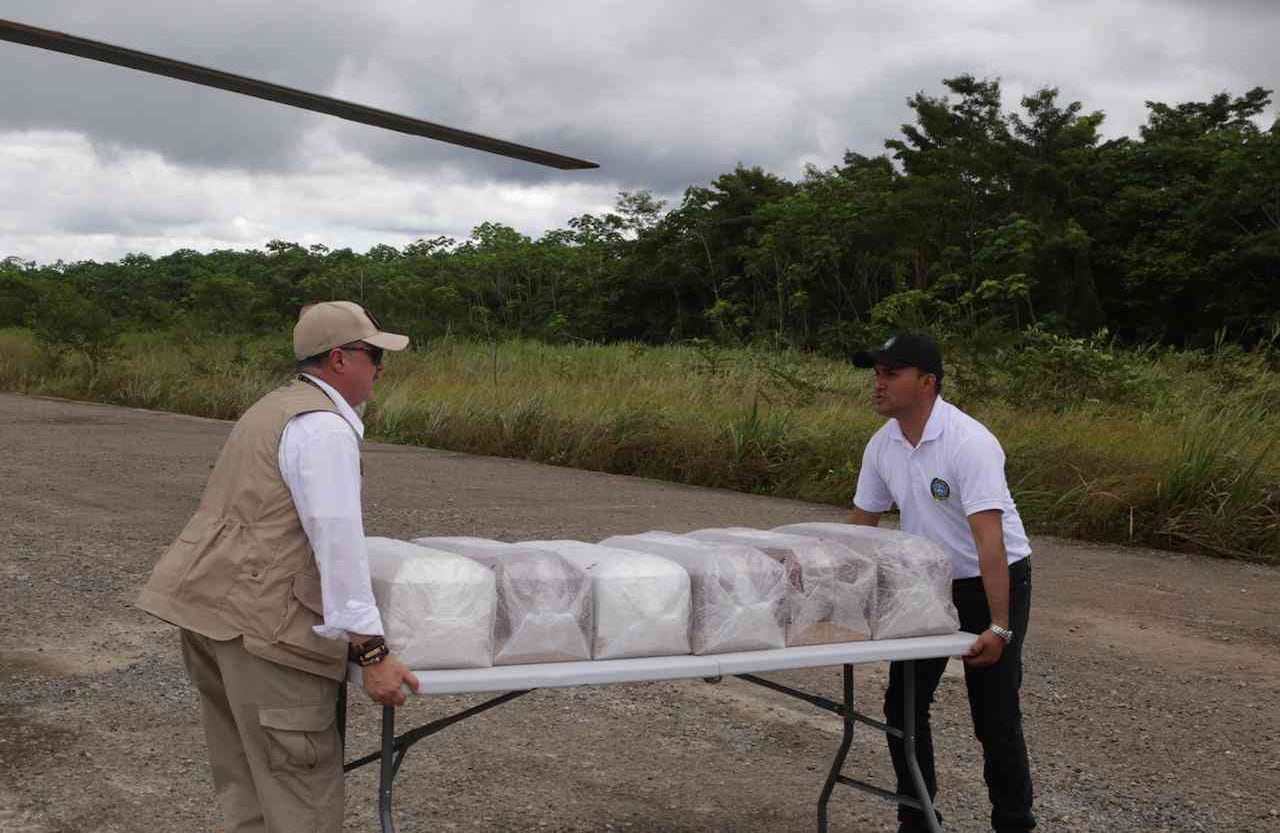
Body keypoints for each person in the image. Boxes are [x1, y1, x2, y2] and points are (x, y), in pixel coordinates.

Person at [137, 301, 421, 833]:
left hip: (211, 618)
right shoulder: (324, 426)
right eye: (374, 354)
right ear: (340, 359)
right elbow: (338, 546)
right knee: (299, 798)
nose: (380, 367)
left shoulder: (274, 407)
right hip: (266, 636)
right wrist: (373, 651)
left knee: (248, 791)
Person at [847, 333, 1035, 833]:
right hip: (926, 583)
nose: (878, 383)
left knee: (993, 715)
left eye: (891, 373)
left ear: (927, 383)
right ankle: (919, 819)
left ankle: (1014, 823)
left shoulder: (969, 441)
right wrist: (836, 590)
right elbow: (862, 525)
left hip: (992, 578)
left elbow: (988, 539)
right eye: (877, 372)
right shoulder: (882, 443)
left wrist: (999, 626)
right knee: (902, 706)